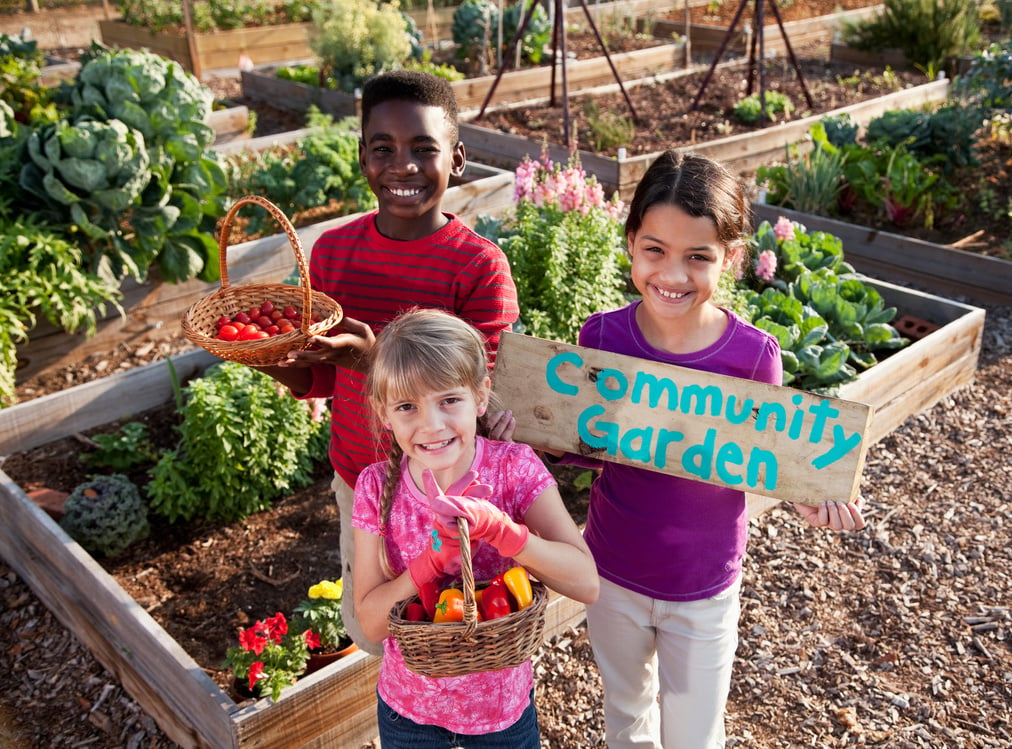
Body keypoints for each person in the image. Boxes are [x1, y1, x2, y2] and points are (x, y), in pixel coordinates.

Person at [563, 150, 866, 749]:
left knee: (695, 736)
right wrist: (519, 429)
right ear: (630, 244)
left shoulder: (752, 358)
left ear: (730, 258)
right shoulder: (601, 338)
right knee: (625, 717)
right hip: (612, 573)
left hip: (703, 588)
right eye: (655, 250)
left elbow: (766, 458)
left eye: (697, 257)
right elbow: (581, 445)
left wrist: (804, 495)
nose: (672, 275)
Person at [253, 70, 519, 654]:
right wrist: (269, 357)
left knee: (459, 624)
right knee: (379, 627)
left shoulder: (477, 267)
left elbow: (474, 392)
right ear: (362, 159)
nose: (404, 166)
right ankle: (402, 716)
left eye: (425, 149)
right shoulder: (334, 254)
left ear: (458, 159)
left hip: (451, 488)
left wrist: (374, 359)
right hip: (361, 479)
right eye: (384, 149)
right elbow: (320, 376)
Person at [350, 307, 599, 746]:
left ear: (481, 396)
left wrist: (506, 532)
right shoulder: (374, 487)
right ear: (383, 412)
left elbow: (586, 583)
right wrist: (430, 564)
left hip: (501, 710)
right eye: (407, 406)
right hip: (409, 711)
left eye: (449, 400)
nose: (431, 425)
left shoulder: (513, 469)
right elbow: (370, 624)